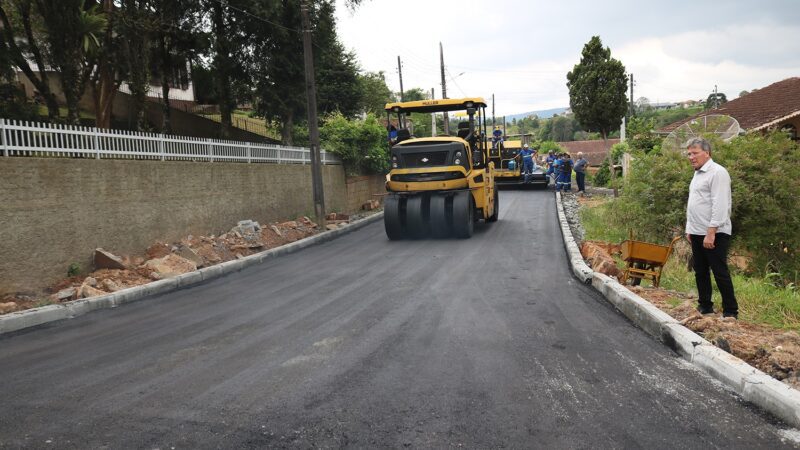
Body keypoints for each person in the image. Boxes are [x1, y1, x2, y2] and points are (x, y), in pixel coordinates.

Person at [685, 138, 738, 319]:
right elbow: (694, 203)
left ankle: (731, 311)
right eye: (689, 154)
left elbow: (720, 204)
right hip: (697, 231)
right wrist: (689, 228)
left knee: (719, 272)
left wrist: (711, 232)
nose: (691, 157)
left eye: (695, 153)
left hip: (715, 233)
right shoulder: (698, 173)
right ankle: (705, 306)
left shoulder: (718, 172)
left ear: (707, 153)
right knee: (700, 271)